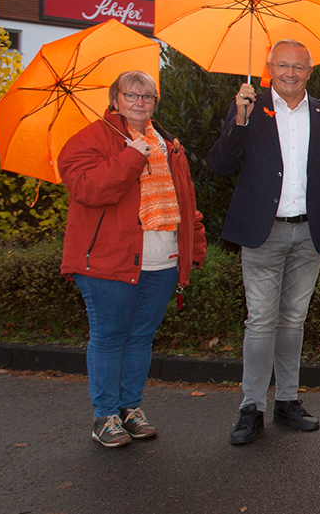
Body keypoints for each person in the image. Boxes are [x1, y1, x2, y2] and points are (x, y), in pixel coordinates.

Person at [209, 39, 320, 445]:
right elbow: (219, 164)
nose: (290, 73)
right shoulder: (249, 109)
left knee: (293, 321)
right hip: (263, 233)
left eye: (299, 67)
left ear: (310, 72)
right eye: (283, 66)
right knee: (260, 321)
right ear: (269, 68)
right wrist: (238, 121)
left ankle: (287, 401)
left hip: (310, 233)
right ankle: (251, 407)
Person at [58, 70, 207, 448]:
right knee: (109, 339)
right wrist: (130, 156)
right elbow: (87, 189)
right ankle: (105, 416)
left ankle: (130, 409)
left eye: (147, 96)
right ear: (115, 99)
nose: (140, 102)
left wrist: (193, 249)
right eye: (131, 95)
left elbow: (185, 200)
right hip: (108, 263)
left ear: (155, 102)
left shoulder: (167, 142)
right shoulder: (90, 139)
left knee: (141, 339)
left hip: (161, 261)